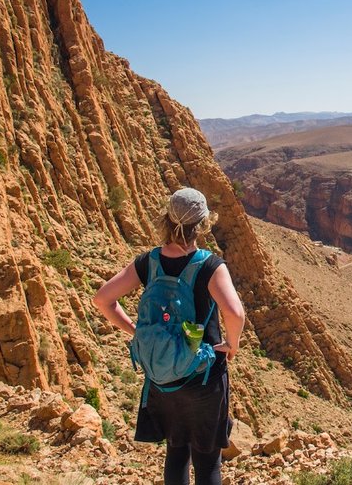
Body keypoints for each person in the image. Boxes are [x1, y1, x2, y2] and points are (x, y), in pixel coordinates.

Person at [93, 187, 245, 485]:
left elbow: (102, 300)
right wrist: (232, 345)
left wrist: (135, 332)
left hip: (163, 379)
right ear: (202, 224)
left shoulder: (148, 262)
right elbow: (235, 314)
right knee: (207, 461)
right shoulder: (210, 265)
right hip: (203, 376)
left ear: (167, 218)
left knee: (177, 451)